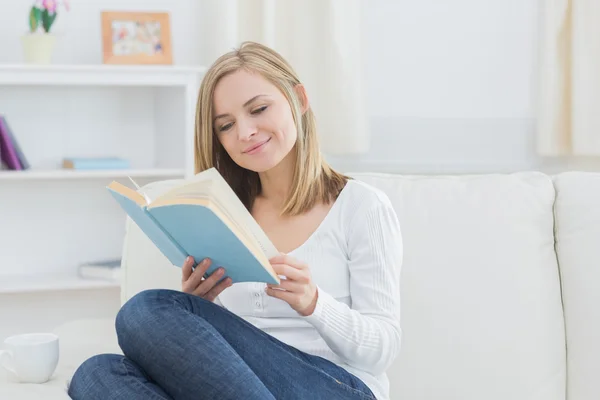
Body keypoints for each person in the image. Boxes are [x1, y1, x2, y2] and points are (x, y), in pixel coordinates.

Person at [67, 41, 403, 400]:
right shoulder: (225, 214)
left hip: (336, 386)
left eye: (258, 109)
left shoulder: (361, 206)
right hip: (247, 386)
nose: (245, 133)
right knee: (96, 373)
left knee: (144, 311)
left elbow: (383, 348)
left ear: (299, 100)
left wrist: (314, 302)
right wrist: (201, 308)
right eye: (226, 126)